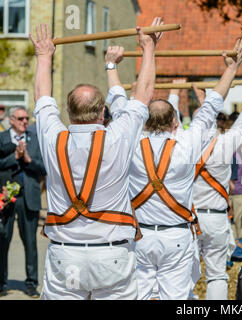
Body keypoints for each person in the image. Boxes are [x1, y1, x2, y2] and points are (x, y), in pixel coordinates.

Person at [31, 19, 157, 299]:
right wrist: (149, 48)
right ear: (103, 113)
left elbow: (41, 97)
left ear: (67, 111)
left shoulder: (53, 137)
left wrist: (43, 57)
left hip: (66, 256)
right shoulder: (117, 136)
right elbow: (144, 94)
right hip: (111, 254)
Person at [115, 38, 242, 300]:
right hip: (175, 234)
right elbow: (212, 105)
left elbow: (123, 105)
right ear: (176, 123)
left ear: (142, 122)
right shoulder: (186, 143)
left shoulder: (129, 142)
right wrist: (231, 69)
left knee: (139, 295)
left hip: (140, 233)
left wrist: (116, 65)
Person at [192, 68, 242, 300]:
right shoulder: (225, 144)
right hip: (216, 218)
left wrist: (195, 99)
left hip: (191, 219)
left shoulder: (184, 146)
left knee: (183, 274)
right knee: (217, 275)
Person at [0, 106, 46, 298]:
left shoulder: (34, 139)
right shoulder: (1, 139)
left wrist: (27, 159)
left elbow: (44, 167)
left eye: (27, 118)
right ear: (11, 120)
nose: (25, 122)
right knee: (3, 241)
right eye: (20, 119)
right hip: (6, 197)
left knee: (30, 243)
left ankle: (31, 284)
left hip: (29, 197)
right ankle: (2, 283)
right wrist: (14, 157)